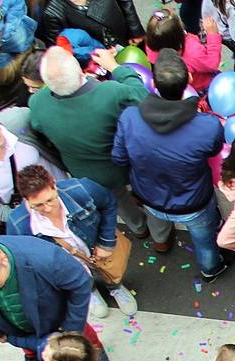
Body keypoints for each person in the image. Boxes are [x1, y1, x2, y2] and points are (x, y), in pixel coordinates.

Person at [112, 50, 227, 278]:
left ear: (153, 83)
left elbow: (119, 158)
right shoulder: (207, 126)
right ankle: (210, 270)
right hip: (193, 204)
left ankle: (162, 242)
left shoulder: (130, 118)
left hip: (150, 197)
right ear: (190, 80)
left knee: (160, 225)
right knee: (205, 244)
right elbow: (214, 151)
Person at [27, 47, 154, 240]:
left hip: (89, 174)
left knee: (119, 201)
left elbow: (39, 129)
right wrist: (115, 67)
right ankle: (155, 225)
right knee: (145, 190)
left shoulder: (36, 103)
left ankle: (139, 228)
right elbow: (141, 95)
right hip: (127, 164)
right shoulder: (110, 93)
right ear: (79, 70)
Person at [6, 165, 138, 319]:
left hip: (93, 246)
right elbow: (24, 256)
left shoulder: (82, 189)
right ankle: (90, 291)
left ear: (54, 185)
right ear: (26, 199)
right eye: (38, 205)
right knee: (79, 278)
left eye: (50, 200)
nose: (47, 209)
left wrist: (106, 242)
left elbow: (108, 204)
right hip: (65, 262)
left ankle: (115, 286)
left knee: (111, 269)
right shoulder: (18, 223)